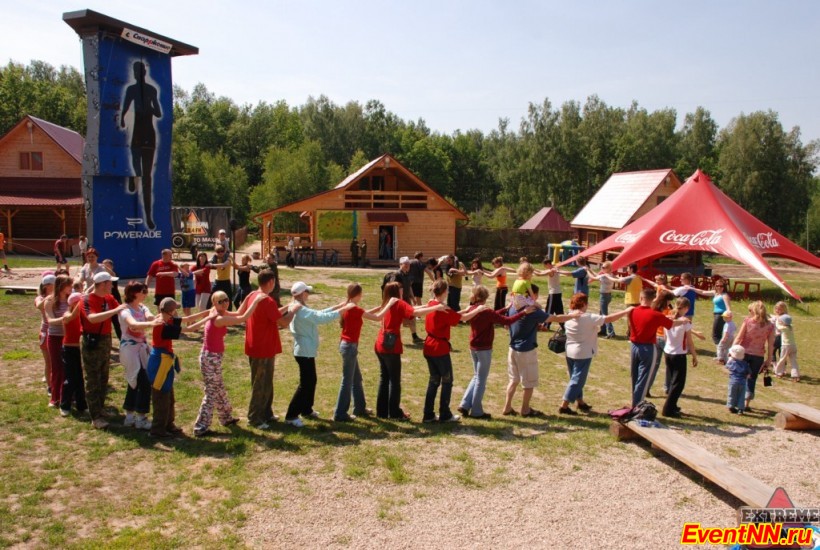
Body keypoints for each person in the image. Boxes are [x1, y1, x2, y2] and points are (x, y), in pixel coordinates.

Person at [190, 291, 265, 437]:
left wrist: (249, 297)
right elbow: (242, 318)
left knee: (219, 388)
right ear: (214, 303)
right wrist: (255, 302)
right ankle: (200, 427)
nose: (225, 303)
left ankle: (226, 418)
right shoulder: (218, 318)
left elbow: (237, 312)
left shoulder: (219, 311)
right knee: (211, 392)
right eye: (220, 301)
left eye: (226, 300)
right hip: (210, 358)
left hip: (213, 357)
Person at [284, 282, 353, 428]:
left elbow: (318, 313)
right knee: (306, 383)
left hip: (305, 351)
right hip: (304, 352)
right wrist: (342, 310)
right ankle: (291, 415)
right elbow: (321, 318)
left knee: (311, 380)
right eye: (307, 292)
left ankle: (306, 410)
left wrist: (337, 307)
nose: (308, 294)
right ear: (302, 294)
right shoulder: (301, 309)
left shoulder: (299, 306)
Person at [502, 284, 577, 417]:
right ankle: (525, 410)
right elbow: (555, 318)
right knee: (529, 383)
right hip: (525, 351)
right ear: (531, 295)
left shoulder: (513, 306)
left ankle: (507, 407)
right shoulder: (531, 310)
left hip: (512, 349)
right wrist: (573, 315)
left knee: (513, 380)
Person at [375, 282, 446, 421]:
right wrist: (437, 307)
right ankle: (394, 413)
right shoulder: (399, 302)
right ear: (397, 291)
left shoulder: (387, 302)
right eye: (401, 289)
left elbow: (412, 308)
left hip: (380, 343)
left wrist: (429, 305)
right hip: (391, 346)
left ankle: (382, 412)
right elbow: (415, 312)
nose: (403, 291)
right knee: (394, 381)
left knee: (384, 379)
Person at [458, 285, 530, 419]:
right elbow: (507, 321)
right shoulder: (486, 311)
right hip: (484, 349)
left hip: (473, 347)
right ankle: (477, 411)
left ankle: (465, 404)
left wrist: (505, 308)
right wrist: (524, 313)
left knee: (476, 376)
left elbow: (494, 315)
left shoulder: (473, 309)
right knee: (481, 380)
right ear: (485, 298)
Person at [421, 280, 487, 423]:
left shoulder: (431, 304)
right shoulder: (443, 308)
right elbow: (461, 319)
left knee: (433, 382)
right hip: (439, 349)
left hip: (429, 346)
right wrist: (478, 310)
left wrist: (468, 309)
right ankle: (445, 414)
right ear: (444, 292)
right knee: (447, 381)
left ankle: (428, 414)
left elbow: (455, 315)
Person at [238, 269, 296, 429]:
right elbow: (283, 323)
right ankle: (255, 417)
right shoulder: (267, 300)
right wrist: (293, 311)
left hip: (255, 345)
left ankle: (266, 412)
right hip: (263, 347)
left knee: (266, 381)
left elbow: (272, 315)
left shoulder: (252, 296)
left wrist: (287, 307)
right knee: (260, 383)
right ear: (271, 282)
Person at [558, 293, 632, 415]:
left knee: (574, 378)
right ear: (584, 304)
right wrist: (625, 311)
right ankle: (564, 405)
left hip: (570, 351)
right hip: (583, 352)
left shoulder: (569, 315)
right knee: (577, 380)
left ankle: (580, 401)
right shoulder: (588, 317)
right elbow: (609, 319)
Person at [333, 283, 397, 421]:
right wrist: (389, 304)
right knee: (347, 381)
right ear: (358, 294)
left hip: (347, 346)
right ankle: (340, 413)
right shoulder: (354, 308)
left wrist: (380, 307)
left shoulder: (349, 305)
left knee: (356, 378)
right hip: (349, 347)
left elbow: (367, 313)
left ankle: (360, 407)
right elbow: (377, 318)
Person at [145, 298, 205, 437]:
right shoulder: (163, 325)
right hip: (160, 362)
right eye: (175, 309)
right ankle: (157, 430)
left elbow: (188, 318)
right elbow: (190, 328)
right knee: (161, 397)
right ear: (171, 311)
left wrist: (208, 312)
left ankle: (168, 424)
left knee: (169, 395)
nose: (177, 311)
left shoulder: (166, 319)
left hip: (165, 360)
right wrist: (210, 318)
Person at [627, 288, 690, 407]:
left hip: (634, 346)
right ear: (653, 299)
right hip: (647, 348)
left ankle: (634, 400)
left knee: (635, 376)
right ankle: (637, 405)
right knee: (644, 378)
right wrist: (682, 322)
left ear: (641, 298)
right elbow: (671, 325)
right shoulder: (656, 315)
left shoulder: (632, 310)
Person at [80, 272, 127, 429]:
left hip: (106, 339)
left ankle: (100, 409)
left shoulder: (108, 298)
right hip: (92, 340)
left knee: (103, 376)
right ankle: (95, 416)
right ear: (101, 284)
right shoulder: (87, 299)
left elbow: (121, 310)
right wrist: (114, 311)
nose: (113, 286)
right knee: (93, 378)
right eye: (110, 283)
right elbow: (92, 318)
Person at [121, 61, 161, 229]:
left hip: (149, 135)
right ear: (135, 73)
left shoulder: (152, 90)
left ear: (144, 72)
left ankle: (148, 217)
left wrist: (149, 109)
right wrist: (123, 118)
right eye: (136, 71)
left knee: (147, 178)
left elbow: (158, 112)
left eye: (141, 70)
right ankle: (133, 176)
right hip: (137, 133)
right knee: (136, 166)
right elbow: (125, 107)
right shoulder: (131, 89)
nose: (138, 73)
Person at [118, 281, 160, 430]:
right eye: (143, 291)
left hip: (141, 349)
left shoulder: (142, 307)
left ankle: (131, 416)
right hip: (129, 349)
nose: (145, 293)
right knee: (136, 380)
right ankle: (138, 417)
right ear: (134, 293)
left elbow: (150, 316)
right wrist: (152, 324)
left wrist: (159, 318)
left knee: (139, 380)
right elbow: (133, 324)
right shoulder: (125, 310)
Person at [733, 301, 775, 411]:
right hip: (758, 355)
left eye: (750, 310)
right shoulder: (770, 326)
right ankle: (746, 403)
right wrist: (769, 359)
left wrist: (732, 350)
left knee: (740, 377)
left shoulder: (747, 321)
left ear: (753, 311)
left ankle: (737, 402)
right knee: (752, 379)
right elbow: (770, 344)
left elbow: (739, 337)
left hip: (743, 352)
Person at [661, 297, 698, 418]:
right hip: (679, 354)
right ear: (686, 308)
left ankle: (673, 405)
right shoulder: (685, 322)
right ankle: (668, 409)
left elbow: (665, 337)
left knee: (672, 380)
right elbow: (689, 341)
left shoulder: (668, 318)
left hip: (668, 352)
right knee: (678, 384)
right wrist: (694, 355)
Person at [45, 275, 73, 408]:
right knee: (57, 368)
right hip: (55, 337)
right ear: (61, 286)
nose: (71, 288)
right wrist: (65, 318)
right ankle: (55, 397)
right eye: (69, 286)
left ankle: (67, 396)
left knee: (69, 368)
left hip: (69, 338)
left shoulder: (71, 299)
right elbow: (50, 321)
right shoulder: (49, 301)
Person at [382, 257, 422, 343]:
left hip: (406, 299)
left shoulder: (408, 274)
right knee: (397, 320)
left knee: (412, 317)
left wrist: (412, 297)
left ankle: (414, 336)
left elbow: (409, 286)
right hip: (398, 301)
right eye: (405, 264)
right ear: (400, 265)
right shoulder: (396, 275)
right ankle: (392, 337)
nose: (407, 265)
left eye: (408, 264)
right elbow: (393, 289)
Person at [59, 292, 87, 417]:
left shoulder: (81, 315)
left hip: (78, 350)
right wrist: (82, 300)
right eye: (79, 303)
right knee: (70, 379)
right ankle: (64, 405)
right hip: (68, 350)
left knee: (80, 379)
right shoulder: (67, 314)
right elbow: (72, 316)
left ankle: (82, 405)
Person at [35, 274, 55, 397]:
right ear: (47, 286)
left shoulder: (59, 297)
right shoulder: (40, 297)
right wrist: (50, 297)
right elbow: (39, 306)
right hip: (46, 332)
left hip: (58, 332)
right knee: (49, 362)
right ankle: (49, 386)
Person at [535, 258, 565, 332]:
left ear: (548, 264)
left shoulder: (551, 270)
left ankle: (546, 326)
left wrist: (531, 270)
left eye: (545, 265)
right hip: (558, 293)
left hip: (553, 293)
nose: (544, 267)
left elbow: (539, 274)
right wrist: (533, 268)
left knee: (549, 310)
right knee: (559, 310)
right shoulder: (554, 269)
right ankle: (564, 327)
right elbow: (542, 271)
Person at [773, 306, 800, 382]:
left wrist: (777, 320)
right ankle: (796, 375)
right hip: (793, 346)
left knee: (782, 359)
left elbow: (777, 326)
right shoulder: (791, 327)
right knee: (793, 360)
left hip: (786, 346)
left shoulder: (783, 328)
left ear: (783, 322)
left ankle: (779, 373)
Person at [725, 345, 751, 414]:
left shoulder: (732, 362)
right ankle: (740, 409)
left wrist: (729, 358)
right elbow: (748, 374)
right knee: (741, 396)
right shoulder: (745, 364)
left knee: (732, 394)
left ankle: (731, 406)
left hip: (733, 381)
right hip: (742, 382)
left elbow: (727, 367)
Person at [102, 259, 123, 340]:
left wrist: (104, 267)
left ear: (112, 266)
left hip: (115, 299)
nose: (105, 267)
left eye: (107, 265)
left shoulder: (113, 275)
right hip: (105, 300)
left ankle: (121, 339)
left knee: (116, 321)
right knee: (106, 322)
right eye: (104, 265)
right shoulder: (102, 277)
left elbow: (113, 274)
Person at [707, 278, 732, 345]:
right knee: (718, 333)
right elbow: (702, 292)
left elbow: (728, 307)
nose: (719, 287)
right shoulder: (715, 293)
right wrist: (692, 288)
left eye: (721, 286)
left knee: (715, 334)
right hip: (716, 315)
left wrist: (729, 313)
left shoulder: (724, 295)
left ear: (724, 287)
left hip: (720, 315)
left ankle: (720, 347)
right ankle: (722, 348)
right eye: (717, 285)